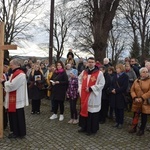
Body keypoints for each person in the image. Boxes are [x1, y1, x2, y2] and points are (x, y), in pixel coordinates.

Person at [0, 58, 29, 138]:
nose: (10, 66)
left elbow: (13, 85)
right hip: (14, 99)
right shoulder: (15, 73)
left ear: (16, 65)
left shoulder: (20, 74)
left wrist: (3, 82)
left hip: (17, 99)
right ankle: (15, 131)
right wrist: (5, 82)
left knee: (18, 116)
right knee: (13, 116)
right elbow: (10, 83)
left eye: (11, 65)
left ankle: (18, 133)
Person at [78, 57, 105, 135]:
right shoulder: (84, 72)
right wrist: (81, 89)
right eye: (89, 62)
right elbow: (79, 80)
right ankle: (84, 127)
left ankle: (92, 129)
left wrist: (91, 88)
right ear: (87, 63)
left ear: (94, 63)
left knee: (92, 112)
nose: (90, 63)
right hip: (84, 95)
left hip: (93, 96)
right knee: (84, 110)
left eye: (92, 62)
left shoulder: (99, 73)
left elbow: (102, 84)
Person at [129, 67, 150, 136]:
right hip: (136, 101)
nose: (145, 73)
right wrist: (134, 97)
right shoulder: (136, 80)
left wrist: (142, 98)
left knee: (144, 116)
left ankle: (142, 129)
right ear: (140, 73)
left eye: (146, 72)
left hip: (145, 102)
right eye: (143, 72)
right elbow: (132, 90)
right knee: (135, 114)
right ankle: (134, 127)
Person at [110, 64, 129, 129]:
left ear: (121, 69)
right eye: (116, 68)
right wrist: (112, 89)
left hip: (120, 95)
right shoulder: (115, 76)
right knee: (115, 109)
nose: (116, 69)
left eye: (117, 68)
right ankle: (117, 121)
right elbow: (112, 84)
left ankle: (120, 122)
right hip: (114, 95)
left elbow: (124, 87)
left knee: (120, 109)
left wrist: (116, 90)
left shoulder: (125, 76)